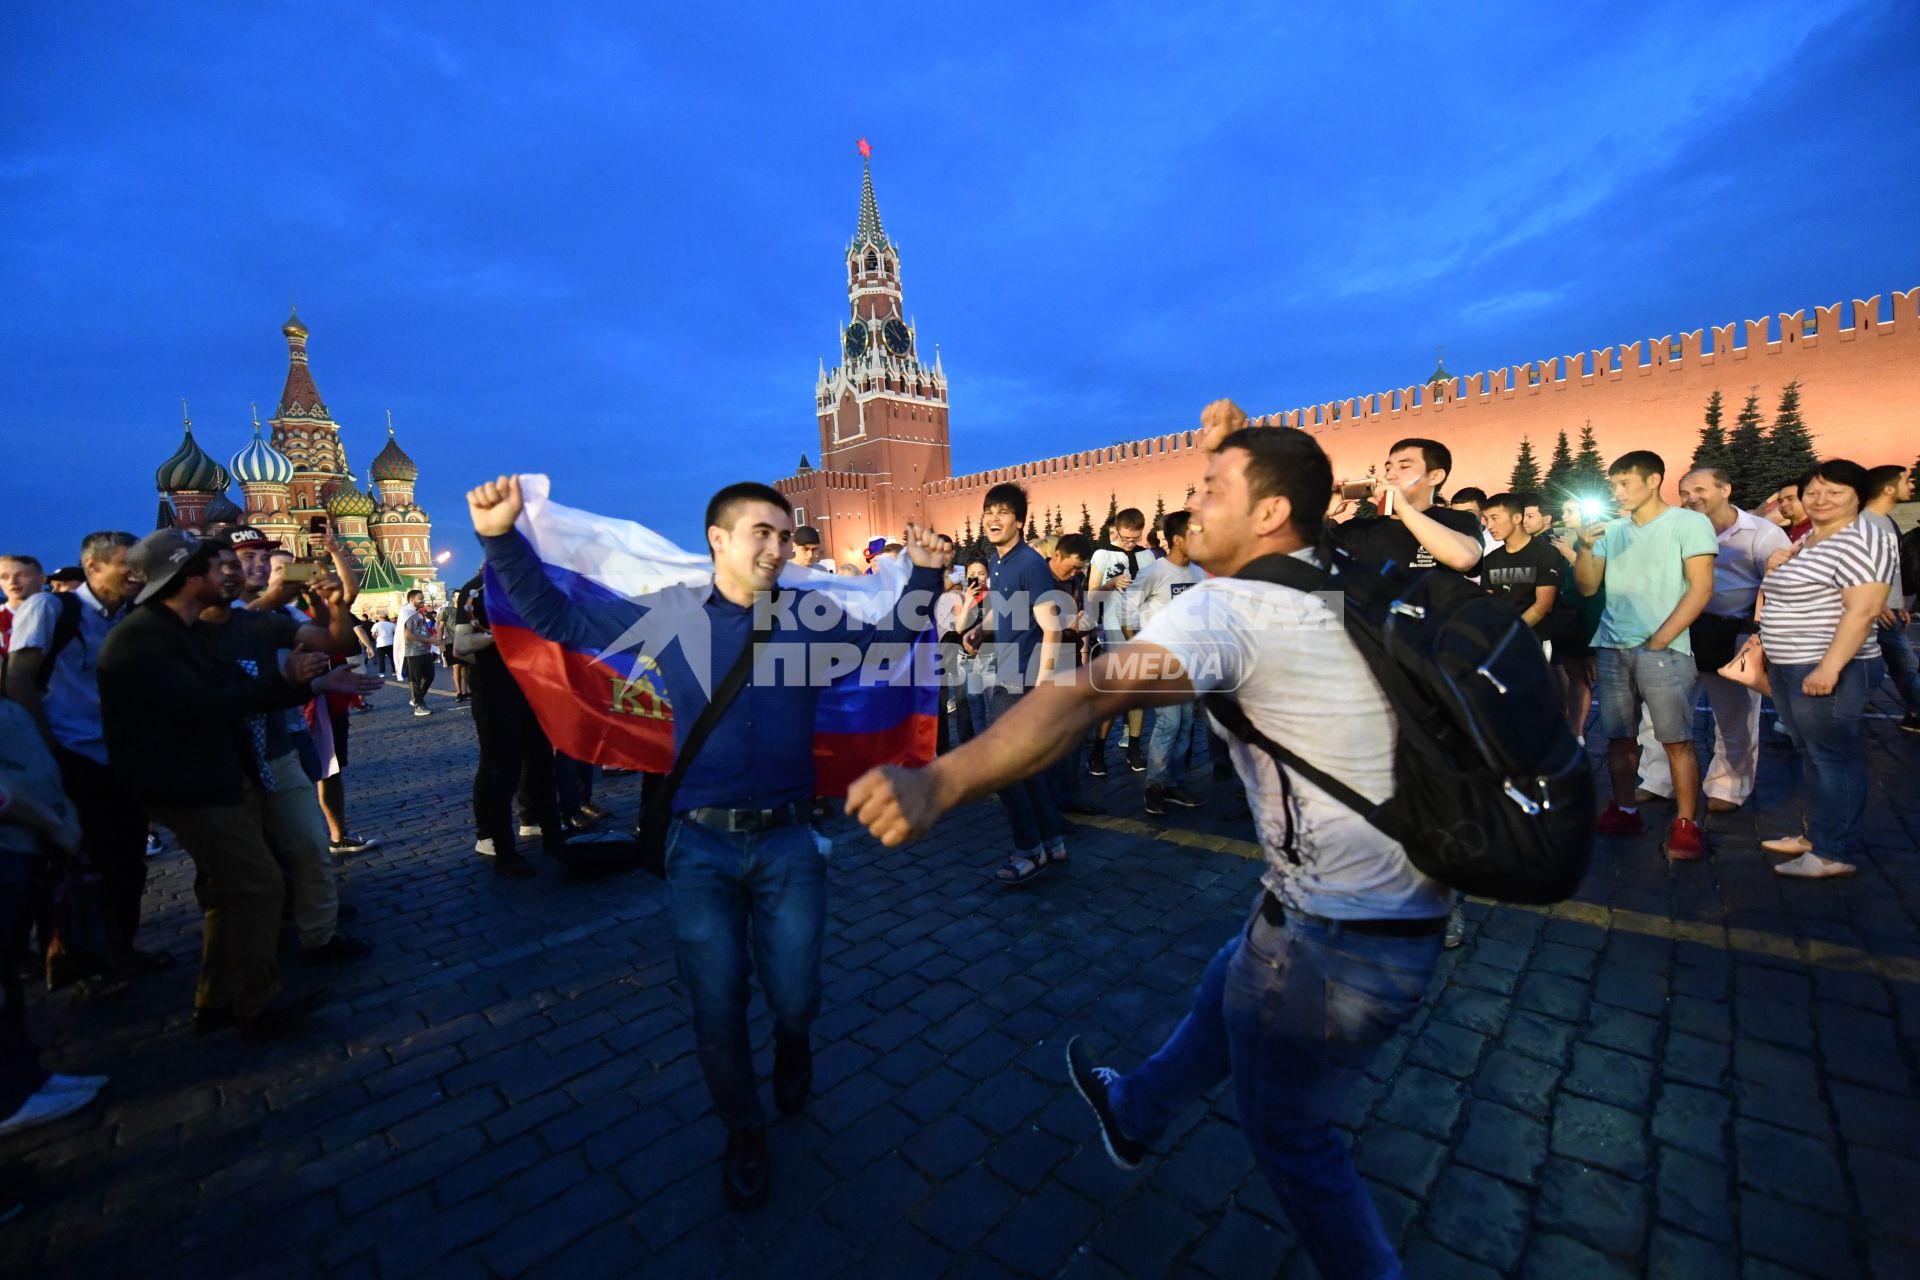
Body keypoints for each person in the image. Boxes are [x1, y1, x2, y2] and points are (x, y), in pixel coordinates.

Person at [848, 403, 1451, 1280]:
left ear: (1270, 516)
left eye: (1211, 491)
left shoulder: (1235, 608)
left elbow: (1088, 697)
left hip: (1340, 939)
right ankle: (1135, 1107)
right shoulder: (1336, 579)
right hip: (1396, 909)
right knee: (1229, 980)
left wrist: (939, 780)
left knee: (1291, 1135)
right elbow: (1301, 498)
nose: (1190, 503)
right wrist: (1246, 452)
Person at [470, 473, 942, 1212]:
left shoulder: (813, 618)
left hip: (790, 847)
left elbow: (891, 637)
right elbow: (555, 617)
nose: (779, 547)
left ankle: (793, 1042)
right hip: (701, 852)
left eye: (786, 536)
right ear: (717, 540)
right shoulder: (674, 615)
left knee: (796, 995)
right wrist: (499, 536)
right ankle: (744, 1130)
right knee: (716, 1007)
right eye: (763, 532)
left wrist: (932, 572)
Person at [96, 531, 380, 1038]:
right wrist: (287, 683)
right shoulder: (148, 637)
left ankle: (217, 1000)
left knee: (231, 891)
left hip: (220, 772)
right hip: (188, 782)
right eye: (217, 565)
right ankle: (255, 1005)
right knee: (259, 884)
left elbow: (316, 645)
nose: (229, 572)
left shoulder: (183, 629)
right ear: (186, 576)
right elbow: (200, 707)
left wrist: (328, 614)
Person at [3, 532, 160, 983]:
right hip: (68, 754)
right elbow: (20, 679)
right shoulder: (52, 609)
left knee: (126, 857)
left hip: (117, 754)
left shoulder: (129, 614)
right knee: (74, 858)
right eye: (125, 565)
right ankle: (72, 955)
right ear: (92, 568)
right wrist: (44, 751)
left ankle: (120, 948)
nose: (136, 574)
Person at [1573, 450, 1718, 859]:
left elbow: (1701, 586)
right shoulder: (1611, 530)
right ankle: (1624, 808)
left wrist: (1661, 637)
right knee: (1618, 739)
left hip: (1665, 649)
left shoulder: (1688, 523)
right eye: (1613, 485)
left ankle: (1686, 823)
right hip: (1612, 646)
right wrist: (1585, 547)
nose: (1617, 492)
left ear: (1653, 480)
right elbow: (1587, 587)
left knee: (1676, 740)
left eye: (1625, 483)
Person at [1757, 460, 1897, 879]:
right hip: (1789, 664)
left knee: (1834, 758)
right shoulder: (1809, 540)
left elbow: (1865, 609)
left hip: (1826, 667)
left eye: (1834, 492)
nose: (1820, 500)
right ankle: (1817, 835)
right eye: (1812, 492)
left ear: (1858, 495)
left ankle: (1833, 850)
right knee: (1810, 753)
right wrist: (1774, 568)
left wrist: (1829, 668)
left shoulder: (1863, 538)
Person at [1634, 468, 1789, 813]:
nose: (1691, 498)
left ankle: (1728, 788)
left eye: (1700, 490)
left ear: (1726, 489)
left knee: (1735, 715)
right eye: (1685, 492)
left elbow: (1781, 585)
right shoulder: (1672, 530)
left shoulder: (1762, 533)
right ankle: (1658, 780)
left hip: (1731, 633)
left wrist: (1764, 637)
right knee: (1659, 711)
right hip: (1679, 631)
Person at [0, 698, 108, 1135]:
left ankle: (27, 1077)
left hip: (23, 847)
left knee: (7, 972)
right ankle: (10, 1097)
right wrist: (53, 823)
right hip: (11, 845)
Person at [964, 482, 1074, 886]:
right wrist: (980, 629)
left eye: (1003, 512)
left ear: (1020, 521)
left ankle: (1029, 851)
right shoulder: (999, 561)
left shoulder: (1029, 563)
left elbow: (1052, 626)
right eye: (988, 510)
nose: (993, 518)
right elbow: (1007, 611)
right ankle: (1052, 840)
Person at [455, 584, 555, 878]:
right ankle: (500, 846)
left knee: (541, 763)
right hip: (496, 692)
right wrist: (502, 636)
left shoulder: (530, 580)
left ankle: (550, 834)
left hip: (533, 688)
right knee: (502, 768)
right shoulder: (477, 590)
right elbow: (461, 646)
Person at [1125, 511, 1207, 815]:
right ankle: (1154, 786)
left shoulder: (1198, 574)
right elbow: (1126, 612)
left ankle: (1174, 782)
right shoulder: (1154, 573)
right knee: (1169, 722)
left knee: (1186, 725)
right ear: (1177, 540)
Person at [1331, 437, 1484, 574]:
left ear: (1435, 476)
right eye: (1388, 468)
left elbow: (1463, 559)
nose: (1390, 475)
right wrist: (1321, 512)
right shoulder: (1356, 528)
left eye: (1404, 467)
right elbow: (1318, 574)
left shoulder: (1456, 520)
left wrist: (1403, 508)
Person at [1087, 510, 1153, 775]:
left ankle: (1134, 747)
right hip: (1113, 631)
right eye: (1125, 538)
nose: (1129, 542)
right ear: (1116, 530)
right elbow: (1090, 595)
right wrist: (1111, 583)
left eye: (1134, 538)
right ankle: (1099, 749)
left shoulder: (1147, 556)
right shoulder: (1102, 554)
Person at [1862, 463, 1920, 732]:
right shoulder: (1865, 523)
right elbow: (1862, 569)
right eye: (1906, 480)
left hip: (1889, 610)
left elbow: (1890, 570)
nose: (1912, 485)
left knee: (1900, 667)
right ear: (1888, 488)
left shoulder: (1885, 522)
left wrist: (1899, 603)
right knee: (1903, 667)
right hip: (1874, 611)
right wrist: (1882, 603)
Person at [1479, 492, 1562, 643]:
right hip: (1499, 639)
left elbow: (1543, 605)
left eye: (1494, 518)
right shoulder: (1490, 559)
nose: (1489, 526)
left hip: (1533, 640)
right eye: (1486, 519)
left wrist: (1510, 633)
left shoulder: (1545, 553)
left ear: (1517, 518)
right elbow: (1488, 602)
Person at [0, 554, 48, 674]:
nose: (12, 582)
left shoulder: (62, 614)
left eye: (21, 575)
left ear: (42, 579)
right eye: (4, 577)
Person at [397, 589, 436, 714]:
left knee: (430, 676)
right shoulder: (405, 613)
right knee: (415, 680)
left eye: (423, 598)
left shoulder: (418, 613)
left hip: (424, 650)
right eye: (420, 598)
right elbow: (407, 635)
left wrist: (432, 640)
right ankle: (418, 706)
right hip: (412, 652)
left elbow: (423, 630)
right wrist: (427, 640)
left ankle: (417, 699)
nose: (423, 601)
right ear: (411, 599)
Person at [371, 611, 397, 677]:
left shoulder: (376, 624)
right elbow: (395, 633)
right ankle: (394, 671)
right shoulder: (391, 624)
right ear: (387, 618)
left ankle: (382, 673)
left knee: (381, 659)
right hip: (390, 643)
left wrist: (376, 639)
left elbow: (373, 634)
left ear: (380, 618)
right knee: (392, 658)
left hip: (380, 644)